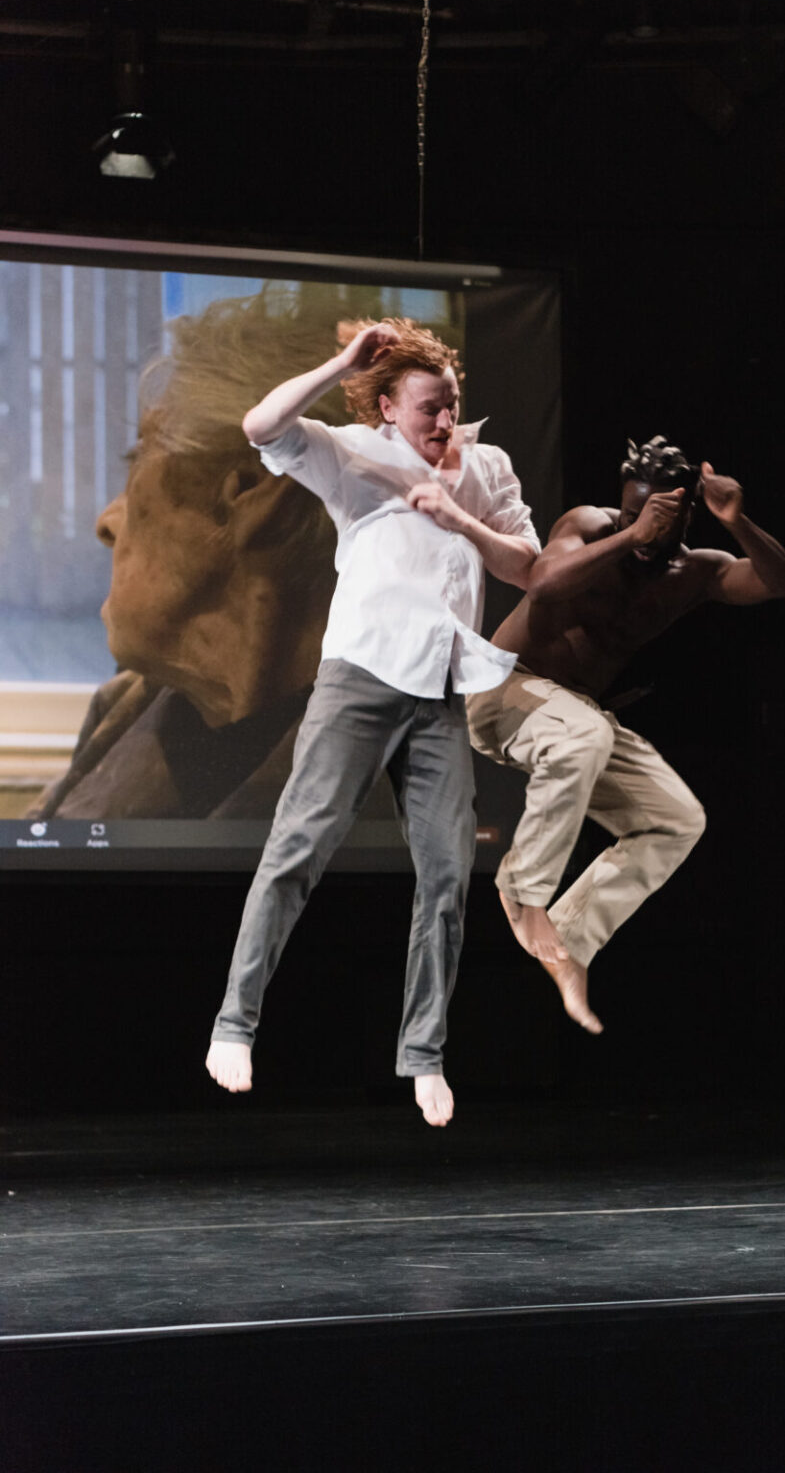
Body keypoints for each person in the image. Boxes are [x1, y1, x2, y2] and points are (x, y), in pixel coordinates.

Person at [205, 318, 540, 1127]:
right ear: (389, 406)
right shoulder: (354, 454)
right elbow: (261, 427)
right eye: (428, 407)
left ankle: (423, 1054)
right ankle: (234, 1026)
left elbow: (529, 568)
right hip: (360, 674)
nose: (443, 422)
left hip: (439, 690)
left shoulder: (486, 467)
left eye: (451, 405)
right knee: (298, 849)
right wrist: (342, 364)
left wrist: (460, 518)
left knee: (448, 874)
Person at [466, 434, 785, 1035]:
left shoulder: (696, 572)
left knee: (676, 819)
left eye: (659, 515)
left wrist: (739, 520)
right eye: (632, 510)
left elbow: (780, 582)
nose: (643, 523)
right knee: (584, 734)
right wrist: (630, 533)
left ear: (686, 514)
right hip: (503, 688)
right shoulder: (591, 527)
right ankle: (521, 891)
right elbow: (541, 583)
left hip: (575, 716)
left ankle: (567, 940)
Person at [27, 290, 346, 821]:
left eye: (139, 457)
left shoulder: (387, 784)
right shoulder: (128, 706)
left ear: (253, 495)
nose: (106, 522)